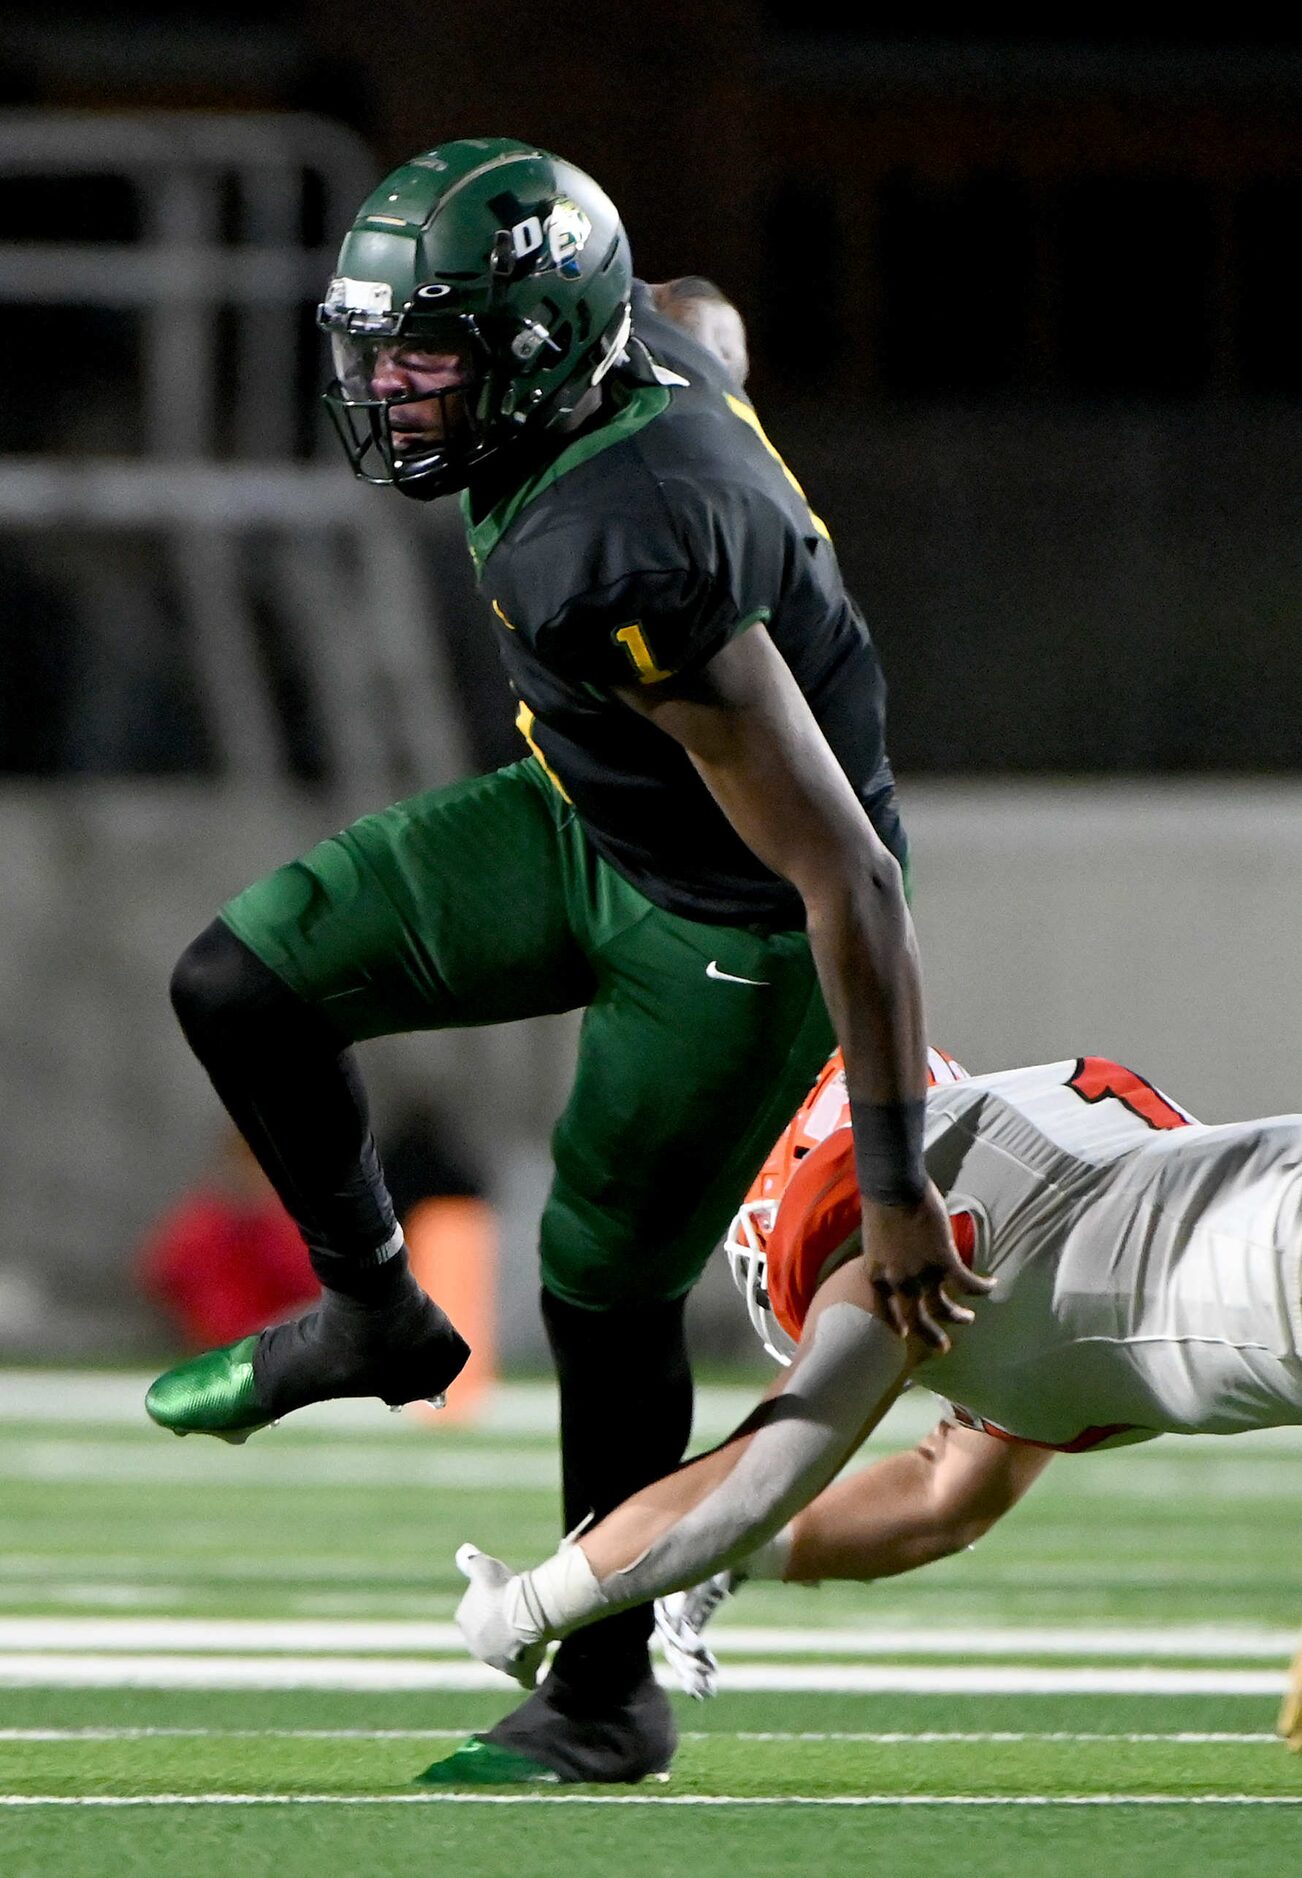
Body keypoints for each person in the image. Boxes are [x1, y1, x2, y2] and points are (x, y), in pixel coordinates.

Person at [143, 136, 981, 1787]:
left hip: (731, 923)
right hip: (585, 815)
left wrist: (891, 1181)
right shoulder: (627, 344)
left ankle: (602, 1691)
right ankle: (374, 1309)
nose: (389, 390)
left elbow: (849, 873)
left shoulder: (614, 545)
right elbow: (701, 314)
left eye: (427, 355)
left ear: (533, 346)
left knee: (598, 1287)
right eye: (376, 350)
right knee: (239, 979)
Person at [452, 1052, 1302, 1737]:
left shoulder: (901, 1220)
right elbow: (945, 1497)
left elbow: (753, 1479)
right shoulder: (1017, 1208)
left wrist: (534, 1603)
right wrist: (748, 1553)